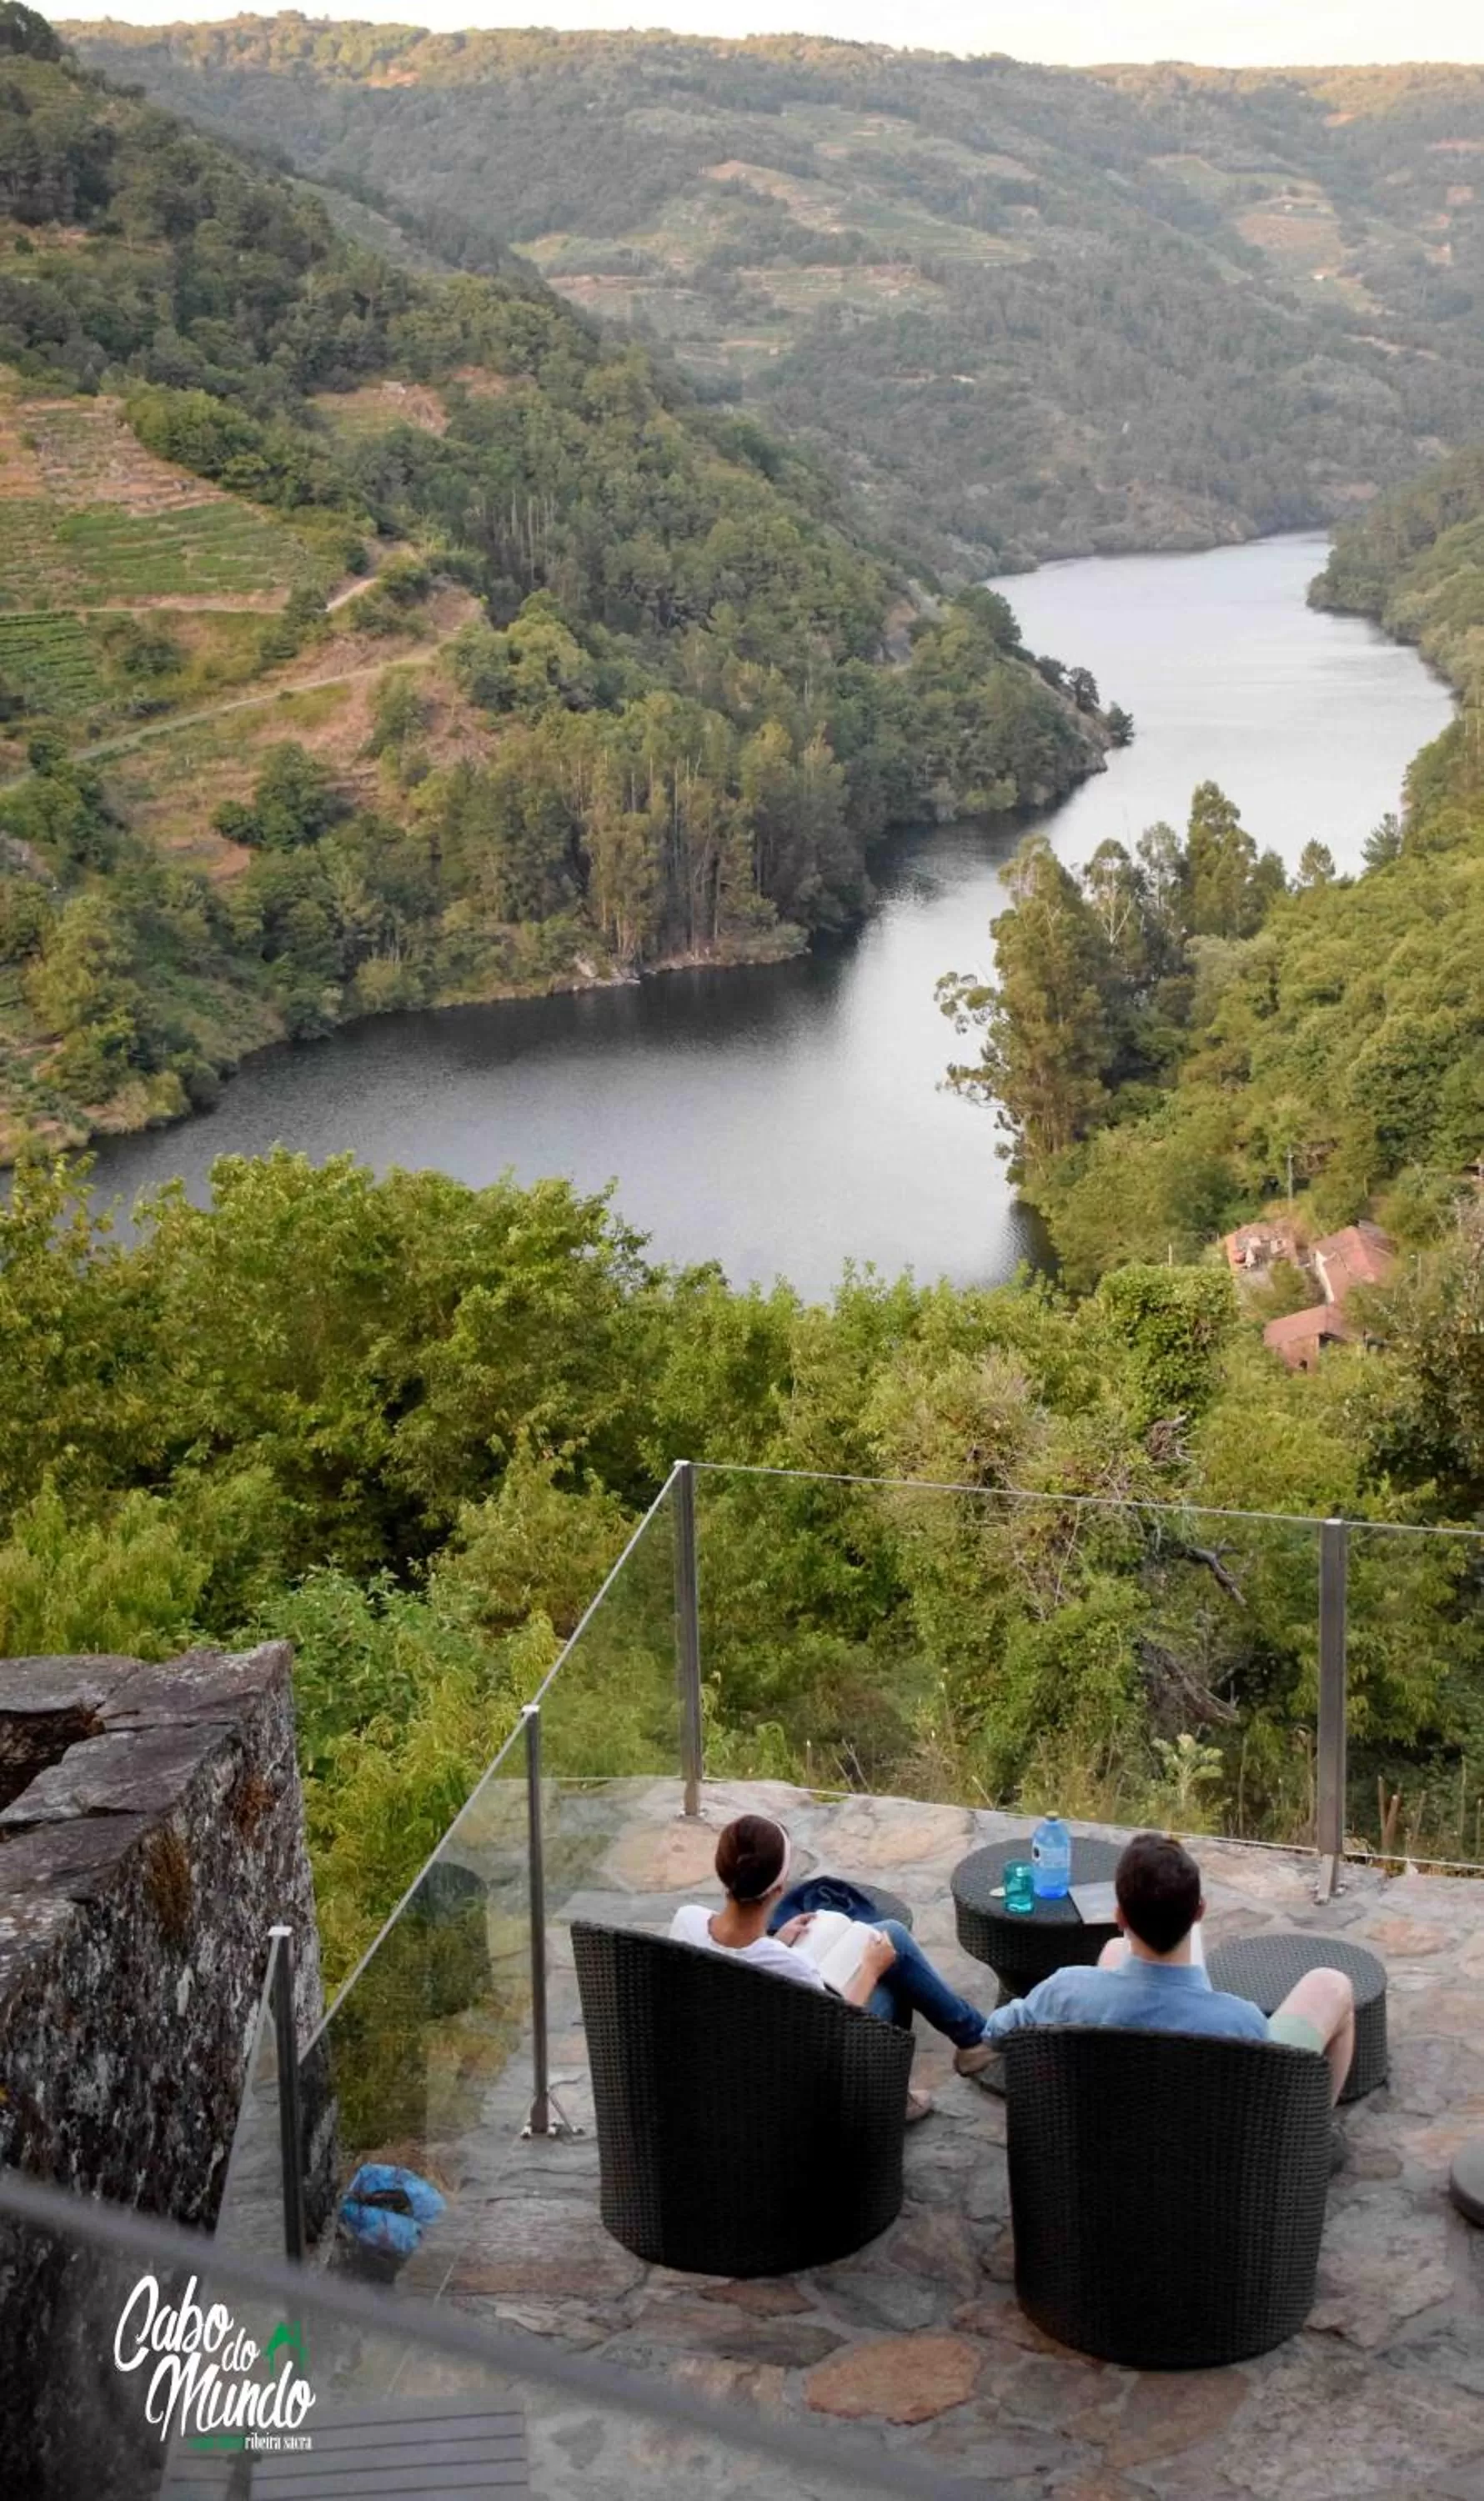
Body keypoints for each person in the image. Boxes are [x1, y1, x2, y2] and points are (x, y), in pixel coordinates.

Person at [979, 1831, 1356, 2114]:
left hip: (1110, 2138)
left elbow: (994, 2033)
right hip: (1206, 2151)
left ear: (1119, 1917)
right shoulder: (1240, 2023)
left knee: (1114, 1952)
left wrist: (967, 2053)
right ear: (1199, 1912)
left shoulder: (1065, 1992)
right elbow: (1268, 2083)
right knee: (1332, 1985)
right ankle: (1308, 2139)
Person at [669, 1812, 995, 2120]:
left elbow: (737, 1966)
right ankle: (909, 2088)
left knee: (889, 1935)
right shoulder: (789, 1967)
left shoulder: (687, 1921)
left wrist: (779, 1941)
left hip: (734, 2058)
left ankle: (974, 2040)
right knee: (890, 1961)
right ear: (780, 1889)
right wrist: (870, 1969)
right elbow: (836, 2039)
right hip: (800, 2087)